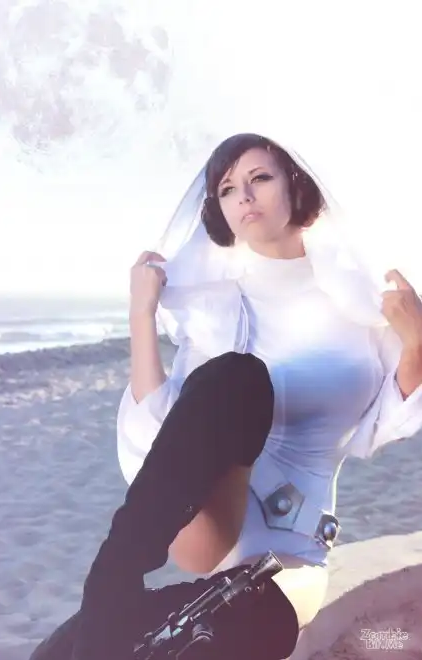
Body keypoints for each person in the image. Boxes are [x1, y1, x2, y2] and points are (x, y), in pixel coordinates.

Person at [30, 133, 422, 660]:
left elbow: (393, 411)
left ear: (296, 184)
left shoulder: (357, 298)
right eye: (228, 189)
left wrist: (418, 340)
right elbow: (163, 421)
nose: (245, 197)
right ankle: (111, 582)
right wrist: (141, 313)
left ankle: (108, 601)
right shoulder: (217, 303)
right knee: (236, 376)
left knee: (114, 644)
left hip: (289, 555)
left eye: (260, 178)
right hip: (209, 521)